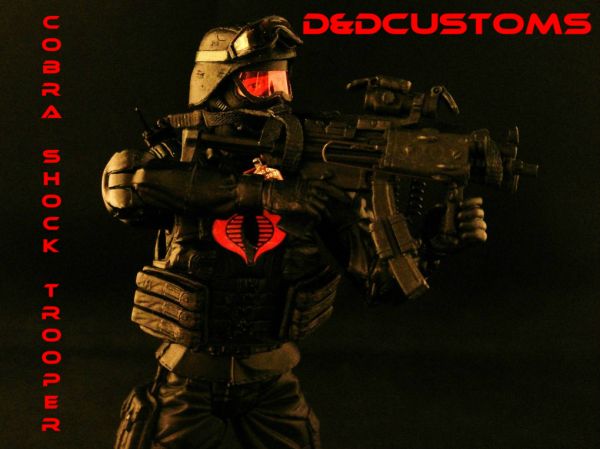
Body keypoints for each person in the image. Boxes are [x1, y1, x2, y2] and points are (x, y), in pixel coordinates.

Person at [102, 16, 487, 449]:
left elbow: (377, 282)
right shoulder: (180, 152)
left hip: (272, 379)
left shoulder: (309, 171)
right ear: (215, 84)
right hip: (187, 375)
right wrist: (259, 193)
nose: (276, 96)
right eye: (258, 83)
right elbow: (125, 187)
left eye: (281, 81)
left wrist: (432, 247)